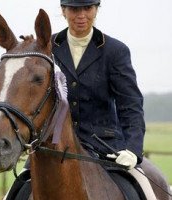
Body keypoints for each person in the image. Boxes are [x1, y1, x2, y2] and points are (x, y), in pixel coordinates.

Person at [52, 0, 157, 199]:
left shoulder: (115, 51)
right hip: (55, 145)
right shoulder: (47, 48)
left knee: (146, 189)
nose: (81, 15)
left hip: (105, 145)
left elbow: (131, 105)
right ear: (63, 10)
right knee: (15, 190)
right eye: (74, 9)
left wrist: (133, 150)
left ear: (96, 9)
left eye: (88, 8)